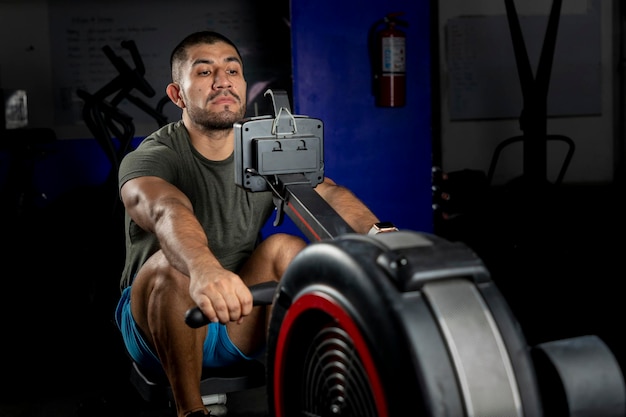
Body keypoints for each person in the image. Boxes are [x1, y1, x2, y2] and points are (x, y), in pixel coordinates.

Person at [114, 30, 384, 417]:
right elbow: (165, 210)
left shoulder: (263, 150)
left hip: (238, 313)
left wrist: (382, 238)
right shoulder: (153, 156)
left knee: (286, 250)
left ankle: (301, 401)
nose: (222, 79)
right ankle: (191, 412)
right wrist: (203, 269)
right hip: (158, 324)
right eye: (205, 71)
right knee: (168, 268)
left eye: (232, 70)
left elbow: (327, 194)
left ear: (243, 85)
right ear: (177, 95)